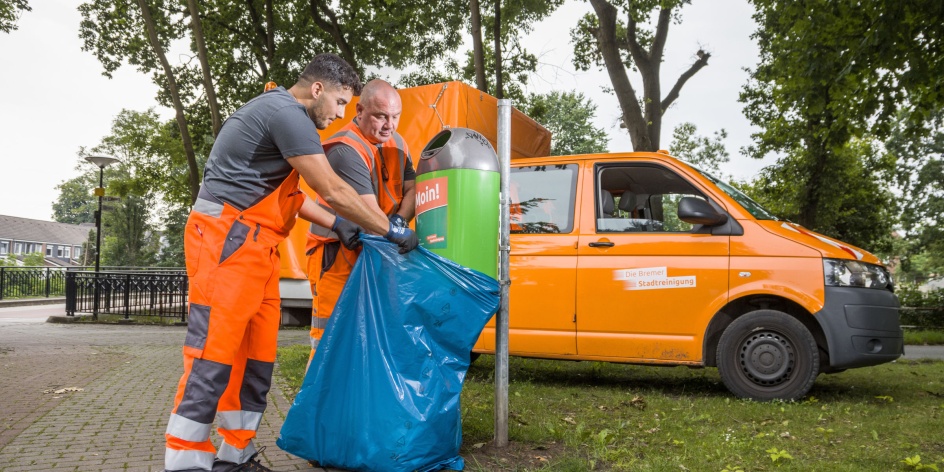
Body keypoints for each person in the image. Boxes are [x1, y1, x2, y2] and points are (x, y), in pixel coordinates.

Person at [163, 54, 418, 472]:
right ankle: (185, 460)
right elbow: (331, 187)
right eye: (339, 102)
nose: (340, 114)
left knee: (255, 360)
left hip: (258, 248)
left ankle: (235, 455)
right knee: (212, 355)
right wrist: (392, 230)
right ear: (317, 89)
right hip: (227, 241)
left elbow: (295, 199)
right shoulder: (286, 113)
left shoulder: (280, 117)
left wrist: (338, 224)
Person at [305, 79, 415, 360]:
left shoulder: (398, 143)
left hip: (377, 248)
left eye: (395, 116)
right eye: (380, 116)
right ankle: (316, 403)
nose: (389, 125)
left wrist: (400, 222)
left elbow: (414, 189)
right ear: (360, 110)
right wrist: (396, 232)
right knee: (330, 344)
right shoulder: (345, 149)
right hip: (338, 255)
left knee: (366, 343)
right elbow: (368, 215)